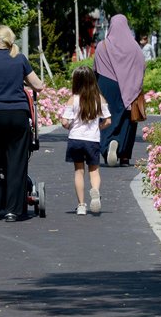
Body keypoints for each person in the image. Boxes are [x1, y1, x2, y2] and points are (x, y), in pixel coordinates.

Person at [0, 25, 45, 222]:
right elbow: (38, 85)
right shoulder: (19, 59)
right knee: (17, 162)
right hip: (18, 116)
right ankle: (14, 210)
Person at [94, 14, 145, 167]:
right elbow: (142, 66)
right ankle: (124, 156)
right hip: (129, 86)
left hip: (106, 85)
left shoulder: (102, 46)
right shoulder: (134, 47)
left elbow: (96, 67)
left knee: (106, 115)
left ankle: (108, 144)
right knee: (127, 120)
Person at [61, 66, 111, 216]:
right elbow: (108, 121)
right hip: (92, 140)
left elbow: (64, 122)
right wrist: (99, 127)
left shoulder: (73, 99)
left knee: (79, 171)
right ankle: (95, 190)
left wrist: (69, 126)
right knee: (94, 170)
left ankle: (81, 205)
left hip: (75, 139)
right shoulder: (99, 99)